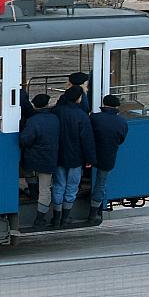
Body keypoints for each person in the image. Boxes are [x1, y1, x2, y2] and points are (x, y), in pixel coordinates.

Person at [51, 85, 96, 229]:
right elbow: (87, 140)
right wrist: (90, 158)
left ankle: (56, 217)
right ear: (78, 98)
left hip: (58, 156)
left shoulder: (56, 112)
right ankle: (65, 217)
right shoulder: (81, 115)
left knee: (59, 185)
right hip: (76, 157)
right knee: (72, 186)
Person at [19, 94, 60, 229]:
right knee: (45, 188)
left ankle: (32, 193)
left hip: (32, 157)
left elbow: (25, 140)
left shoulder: (32, 120)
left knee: (29, 172)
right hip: (49, 158)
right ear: (47, 104)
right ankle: (39, 218)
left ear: (34, 105)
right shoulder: (55, 119)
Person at [88, 95, 128, 225]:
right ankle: (94, 213)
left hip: (89, 154)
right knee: (100, 184)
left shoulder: (94, 118)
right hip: (108, 156)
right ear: (117, 107)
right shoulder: (122, 122)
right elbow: (121, 139)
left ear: (104, 104)